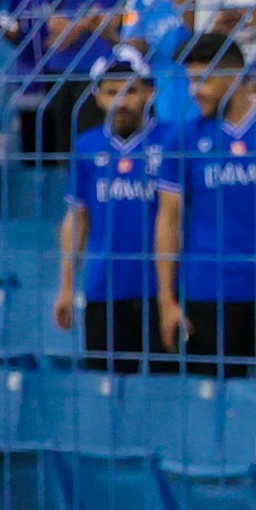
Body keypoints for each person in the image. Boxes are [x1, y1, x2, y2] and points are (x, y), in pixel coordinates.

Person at [157, 31, 256, 376]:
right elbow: (168, 220)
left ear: (237, 75)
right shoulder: (182, 138)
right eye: (190, 80)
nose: (195, 90)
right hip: (208, 293)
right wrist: (167, 300)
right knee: (211, 411)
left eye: (203, 79)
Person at [57, 51, 171, 373]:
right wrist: (66, 286)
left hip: (161, 293)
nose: (121, 101)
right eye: (111, 92)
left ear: (150, 91)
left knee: (168, 394)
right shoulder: (87, 146)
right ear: (97, 97)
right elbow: (76, 218)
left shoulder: (173, 140)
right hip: (103, 291)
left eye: (131, 91)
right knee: (105, 393)